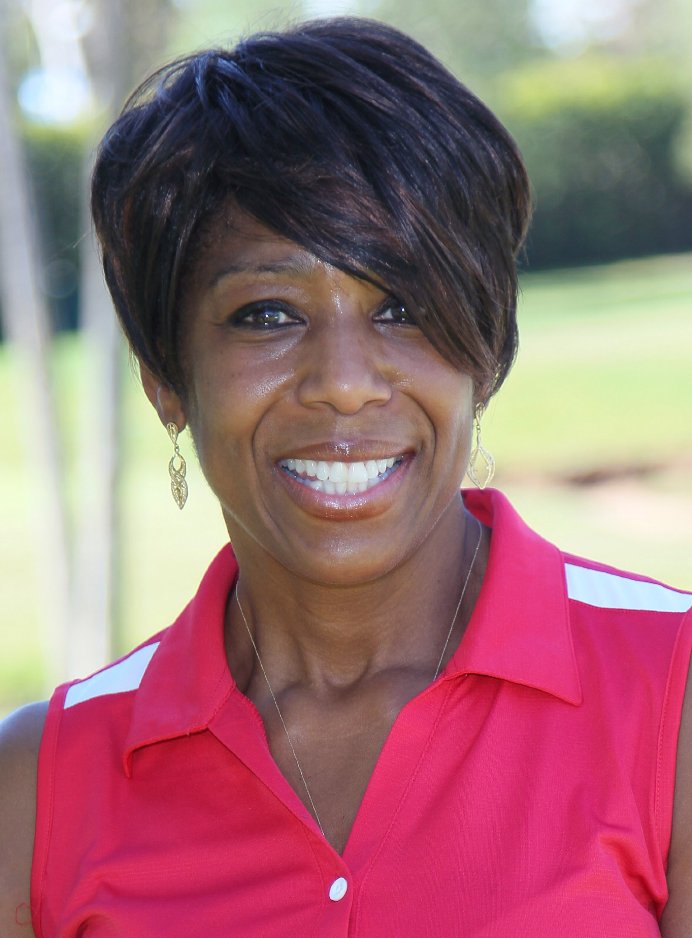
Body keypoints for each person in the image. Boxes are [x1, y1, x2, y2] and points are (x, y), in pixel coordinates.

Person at [1, 16, 691, 937]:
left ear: (485, 354)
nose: (343, 382)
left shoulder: (670, 690)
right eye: (268, 313)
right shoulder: (38, 790)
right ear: (165, 378)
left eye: (402, 305)